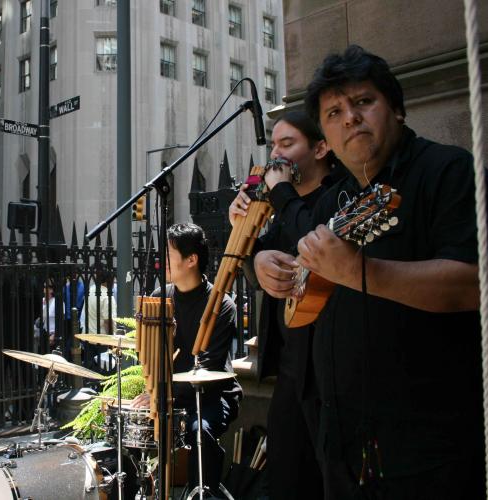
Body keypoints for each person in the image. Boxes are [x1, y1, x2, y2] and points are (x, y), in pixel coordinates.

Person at [258, 45, 484, 499]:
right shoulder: (332, 198)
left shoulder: (446, 170)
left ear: (396, 109)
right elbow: (298, 261)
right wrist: (269, 266)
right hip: (341, 444)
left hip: (428, 450)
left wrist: (361, 271)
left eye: (363, 102)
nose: (350, 118)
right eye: (334, 111)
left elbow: (471, 284)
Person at [229, 111, 335, 499]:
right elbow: (258, 268)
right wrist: (250, 250)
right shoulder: (277, 210)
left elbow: (314, 238)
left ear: (321, 147)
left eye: (287, 145)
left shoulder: (337, 196)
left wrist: (279, 193)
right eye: (273, 145)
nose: (276, 155)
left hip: (330, 371)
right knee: (288, 480)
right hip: (291, 370)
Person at [132, 222, 241, 496]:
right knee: (127, 425)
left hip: (211, 398)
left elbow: (210, 367)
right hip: (168, 397)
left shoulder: (221, 305)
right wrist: (153, 392)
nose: (163, 261)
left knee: (199, 430)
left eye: (169, 255)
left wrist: (164, 393)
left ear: (191, 260)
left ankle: (202, 493)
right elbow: (153, 357)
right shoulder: (160, 299)